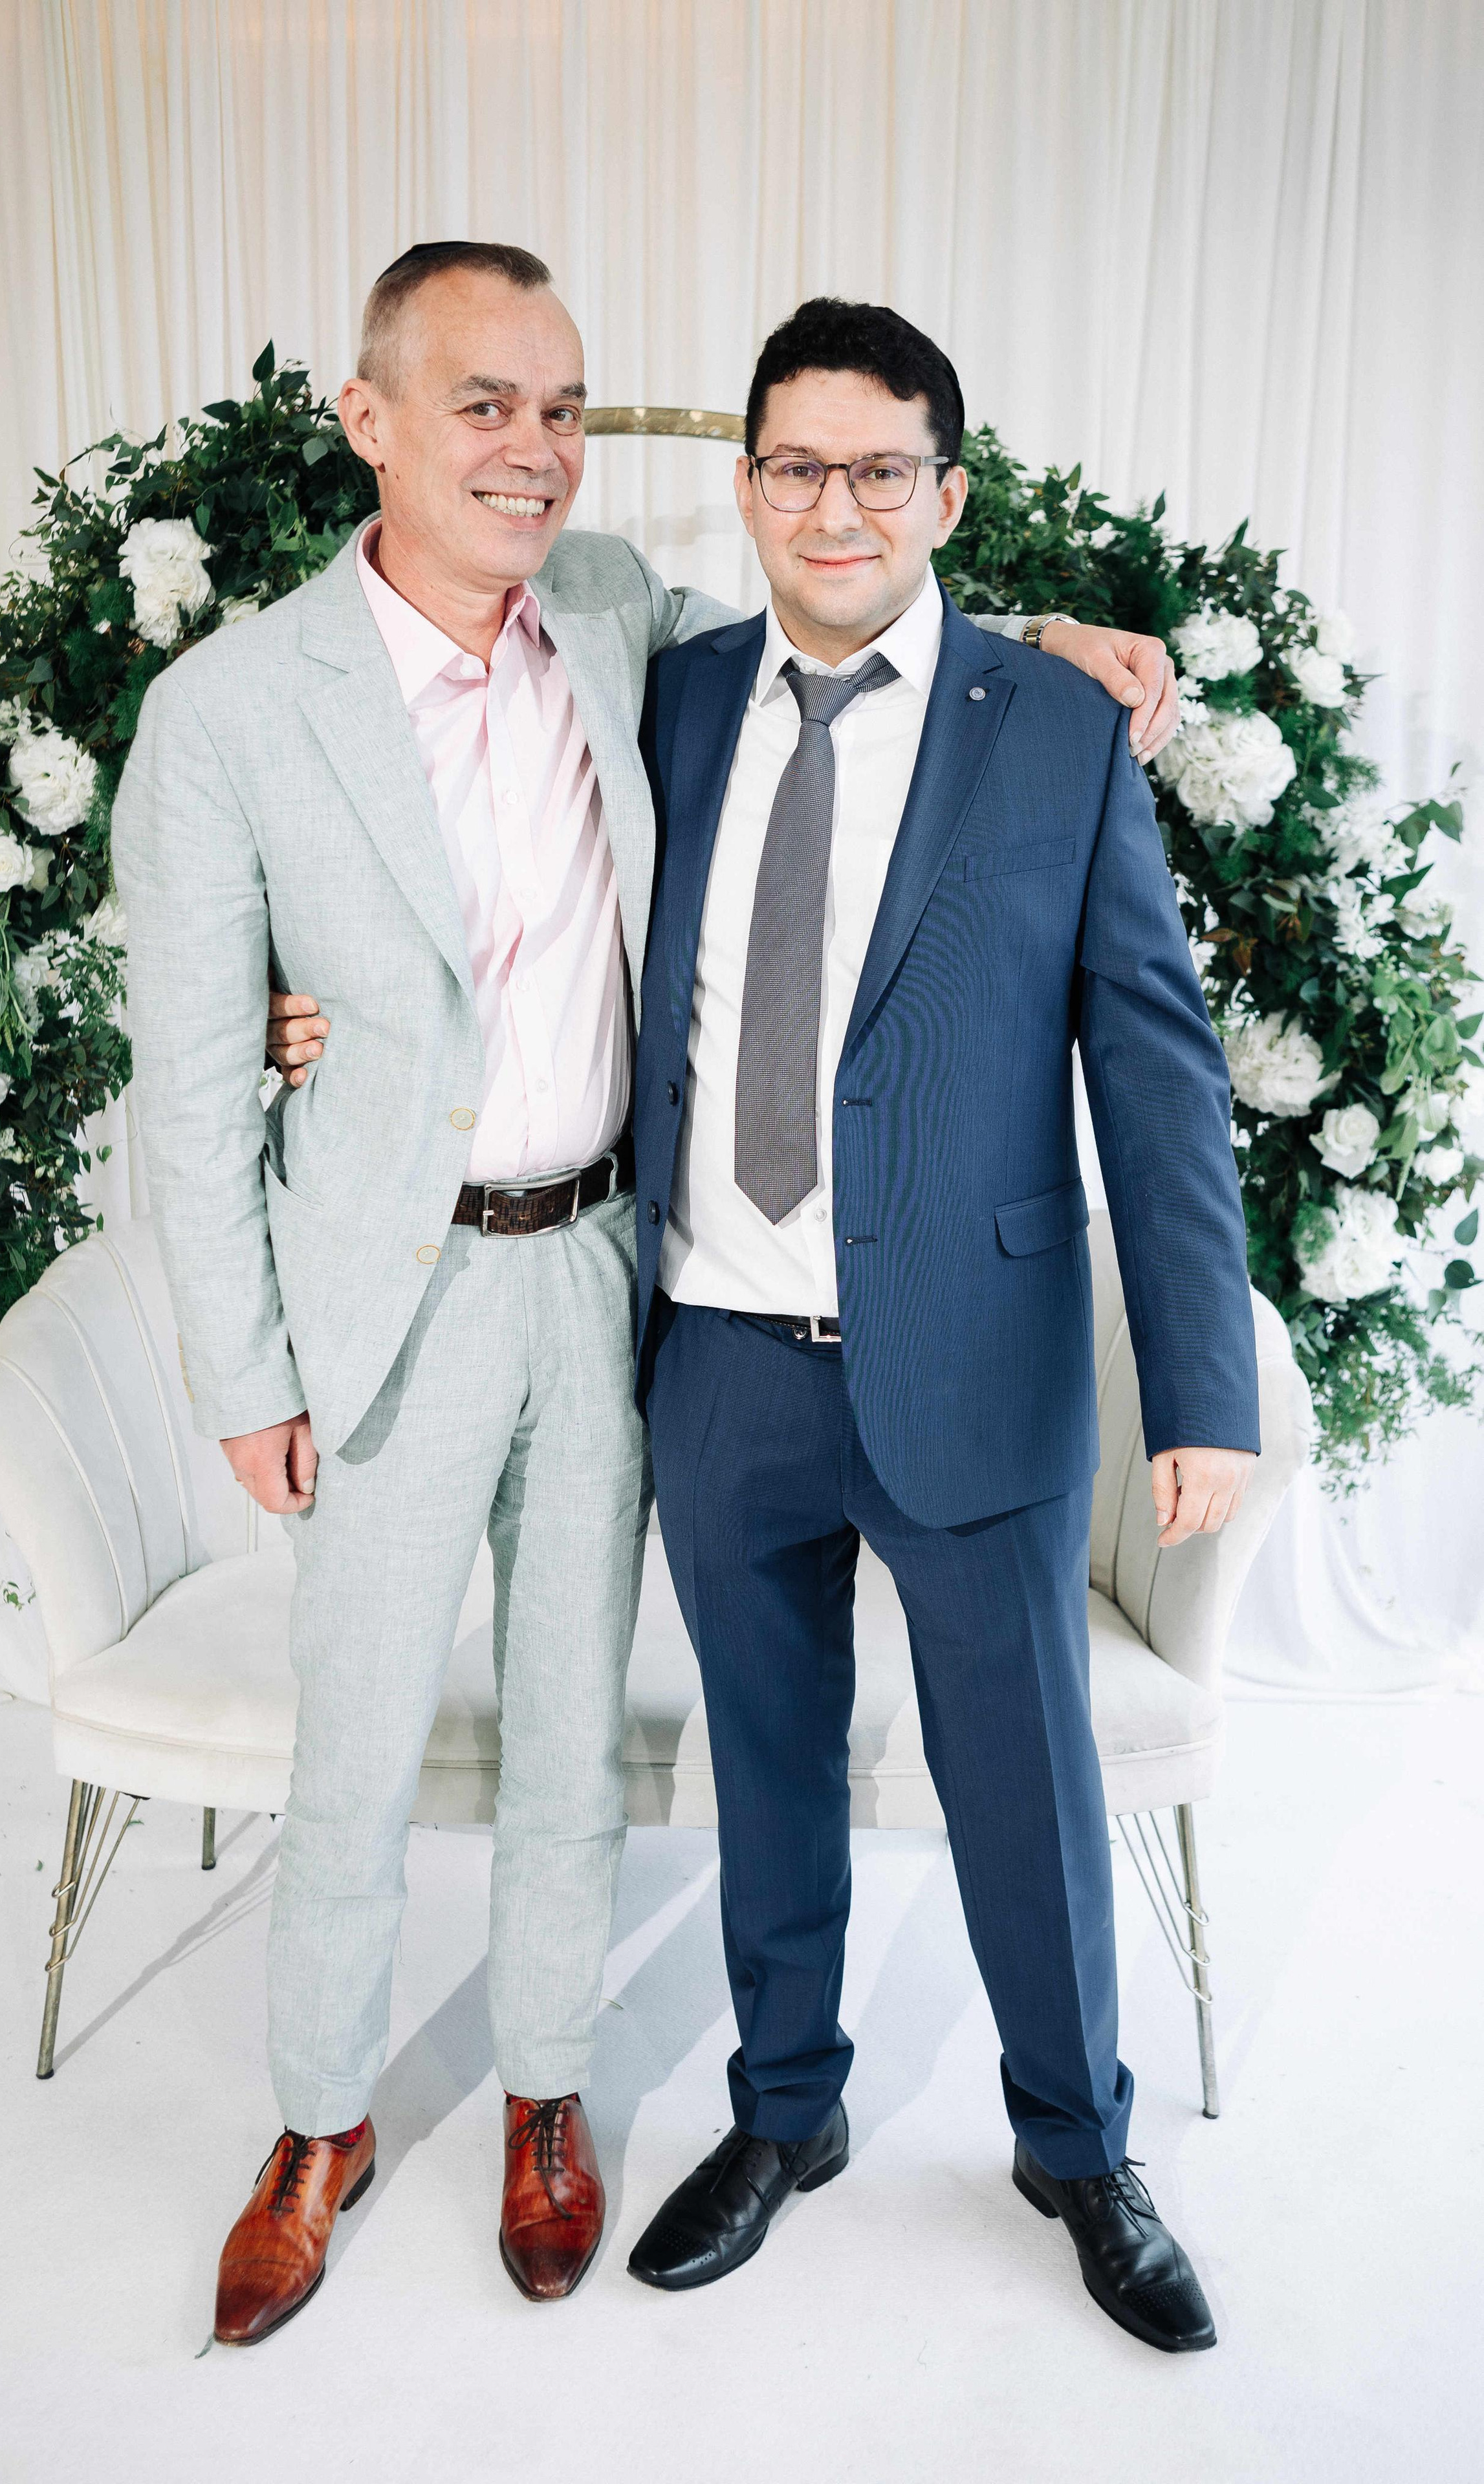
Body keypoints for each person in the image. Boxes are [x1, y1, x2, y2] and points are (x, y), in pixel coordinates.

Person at [120, 237, 1178, 2345]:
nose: (533, 450)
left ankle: (546, 2100)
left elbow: (863, 641)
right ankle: (317, 2128)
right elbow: (183, 1080)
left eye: (565, 409)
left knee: (568, 1750)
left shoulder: (617, 623)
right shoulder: (230, 707)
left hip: (616, 1272)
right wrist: (242, 1364)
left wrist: (1050, 642)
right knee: (357, 1747)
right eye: (486, 405)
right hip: (400, 1297)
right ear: (374, 421)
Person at [620, 297, 1258, 2352]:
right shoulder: (672, 701)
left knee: (1025, 1778)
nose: (834, 504)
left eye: (879, 468)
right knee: (770, 1765)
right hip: (719, 1351)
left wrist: (1207, 1383)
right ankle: (782, 2113)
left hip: (975, 1354)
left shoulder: (1052, 723)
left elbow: (1155, 1067)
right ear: (744, 488)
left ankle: (1079, 2145)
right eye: (795, 465)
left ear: (946, 493)